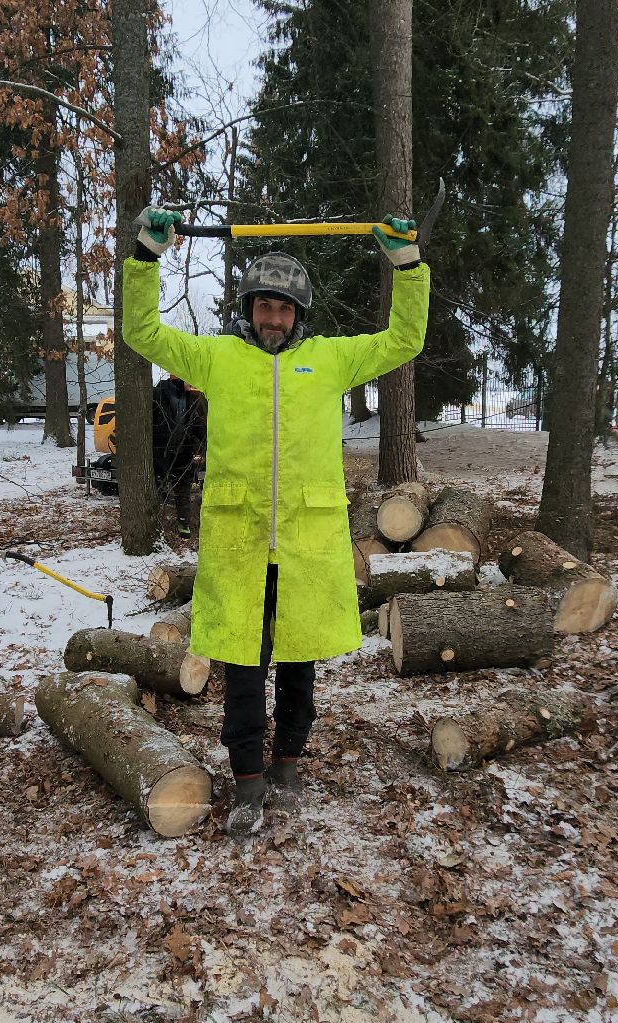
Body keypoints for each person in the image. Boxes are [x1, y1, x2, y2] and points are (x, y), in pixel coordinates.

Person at [122, 205, 429, 836]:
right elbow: (144, 333)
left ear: (298, 316)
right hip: (238, 542)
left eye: (284, 309)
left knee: (297, 663)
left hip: (306, 543)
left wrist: (408, 267)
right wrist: (146, 261)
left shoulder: (331, 360)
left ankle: (287, 764)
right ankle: (248, 781)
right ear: (248, 308)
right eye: (264, 306)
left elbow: (404, 340)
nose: (273, 318)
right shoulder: (217, 360)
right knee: (242, 666)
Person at [151, 373, 205, 537]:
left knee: (183, 489)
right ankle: (155, 524)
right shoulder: (159, 394)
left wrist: (205, 445)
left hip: (183, 452)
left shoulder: (191, 399)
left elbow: (197, 425)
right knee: (157, 488)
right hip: (161, 452)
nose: (192, 384)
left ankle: (184, 525)